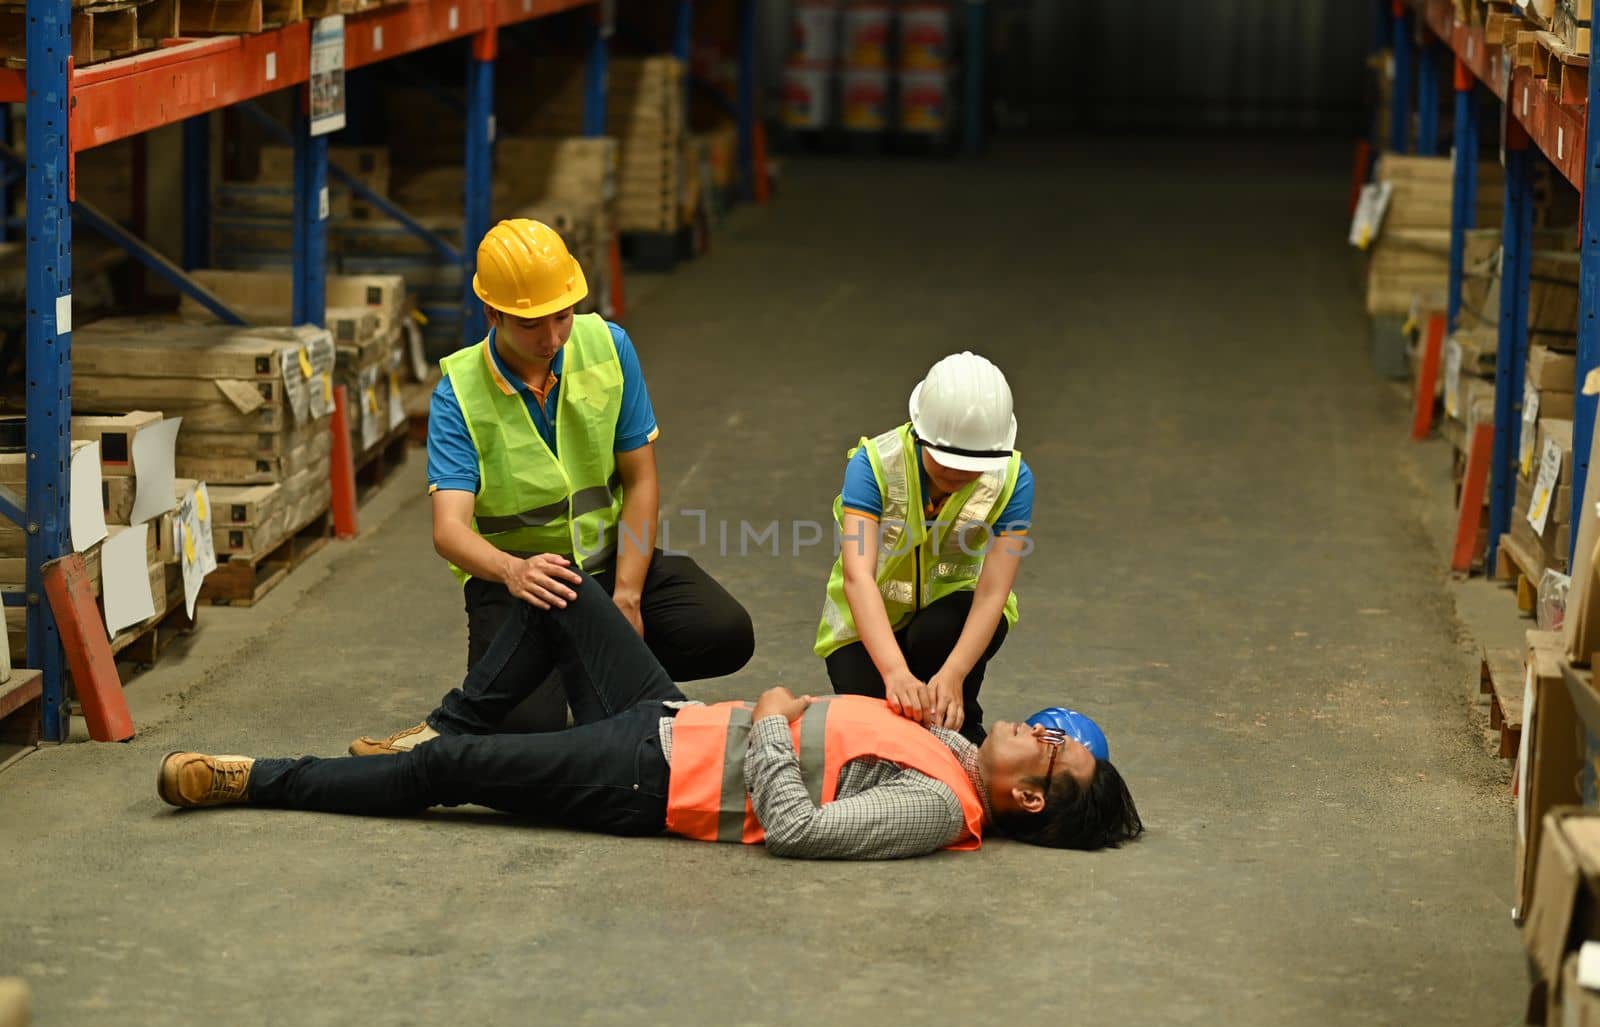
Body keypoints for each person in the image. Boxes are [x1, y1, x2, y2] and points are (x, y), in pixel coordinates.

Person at [158, 570, 1142, 860]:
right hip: (673, 715)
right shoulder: (955, 748)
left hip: (653, 775)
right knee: (562, 592)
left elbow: (795, 829)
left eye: (1054, 752)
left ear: (1022, 799)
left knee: (448, 780)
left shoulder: (936, 811)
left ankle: (253, 776)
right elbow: (875, 725)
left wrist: (765, 712)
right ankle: (443, 720)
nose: (1046, 729)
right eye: (1057, 731)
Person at [385, 217, 753, 747]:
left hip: (604, 569)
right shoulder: (459, 394)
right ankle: (578, 669)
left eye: (563, 317)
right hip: (519, 592)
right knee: (524, 731)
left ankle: (582, 666)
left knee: (723, 631)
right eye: (533, 325)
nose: (553, 338)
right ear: (493, 313)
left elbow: (641, 479)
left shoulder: (608, 346)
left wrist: (627, 596)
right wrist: (514, 571)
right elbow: (450, 530)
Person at [815, 352, 1033, 747]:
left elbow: (992, 592)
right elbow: (857, 576)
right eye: (945, 459)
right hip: (864, 625)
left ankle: (963, 717)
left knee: (946, 713)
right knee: (878, 737)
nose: (955, 474)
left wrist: (954, 673)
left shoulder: (1014, 479)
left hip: (950, 619)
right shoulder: (873, 465)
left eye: (972, 463)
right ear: (919, 431)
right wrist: (895, 672)